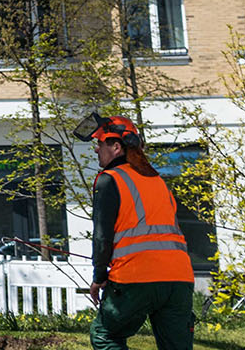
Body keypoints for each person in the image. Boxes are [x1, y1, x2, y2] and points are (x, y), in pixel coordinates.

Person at [84, 116, 194, 350]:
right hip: (179, 278)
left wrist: (98, 277)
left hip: (135, 277)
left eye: (100, 144)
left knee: (105, 334)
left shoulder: (109, 180)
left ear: (116, 147)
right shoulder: (157, 180)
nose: (96, 149)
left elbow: (102, 236)